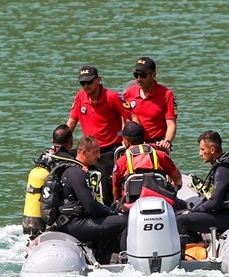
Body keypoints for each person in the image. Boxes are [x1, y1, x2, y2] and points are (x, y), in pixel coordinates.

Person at [54, 136, 126, 259]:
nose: (99, 156)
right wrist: (112, 213)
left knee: (112, 218)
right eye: (96, 152)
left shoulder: (76, 170)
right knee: (125, 221)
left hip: (73, 221)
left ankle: (103, 257)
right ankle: (126, 259)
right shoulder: (76, 173)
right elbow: (91, 206)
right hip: (74, 224)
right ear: (83, 152)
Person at [66, 64, 129, 194]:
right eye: (82, 83)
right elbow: (71, 123)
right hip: (88, 150)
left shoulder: (112, 97)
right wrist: (59, 146)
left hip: (109, 150)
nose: (86, 86)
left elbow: (130, 117)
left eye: (89, 81)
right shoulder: (80, 96)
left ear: (98, 80)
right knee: (64, 163)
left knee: (106, 186)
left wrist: (127, 140)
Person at [177, 130, 229, 238]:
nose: (200, 153)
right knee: (183, 212)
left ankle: (184, 252)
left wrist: (193, 212)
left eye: (202, 149)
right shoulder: (222, 164)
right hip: (225, 213)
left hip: (228, 217)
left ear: (212, 150)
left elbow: (214, 202)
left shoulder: (223, 168)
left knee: (180, 220)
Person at [111, 121, 183, 206]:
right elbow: (178, 179)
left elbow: (115, 193)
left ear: (126, 141)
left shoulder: (121, 162)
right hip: (161, 202)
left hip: (131, 205)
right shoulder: (161, 155)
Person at [120, 57, 176, 151]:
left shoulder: (166, 95)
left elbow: (171, 124)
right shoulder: (128, 93)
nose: (139, 79)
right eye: (136, 75)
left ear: (153, 75)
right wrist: (123, 138)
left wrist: (167, 141)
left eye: (143, 75)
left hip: (155, 146)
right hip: (132, 146)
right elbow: (124, 118)